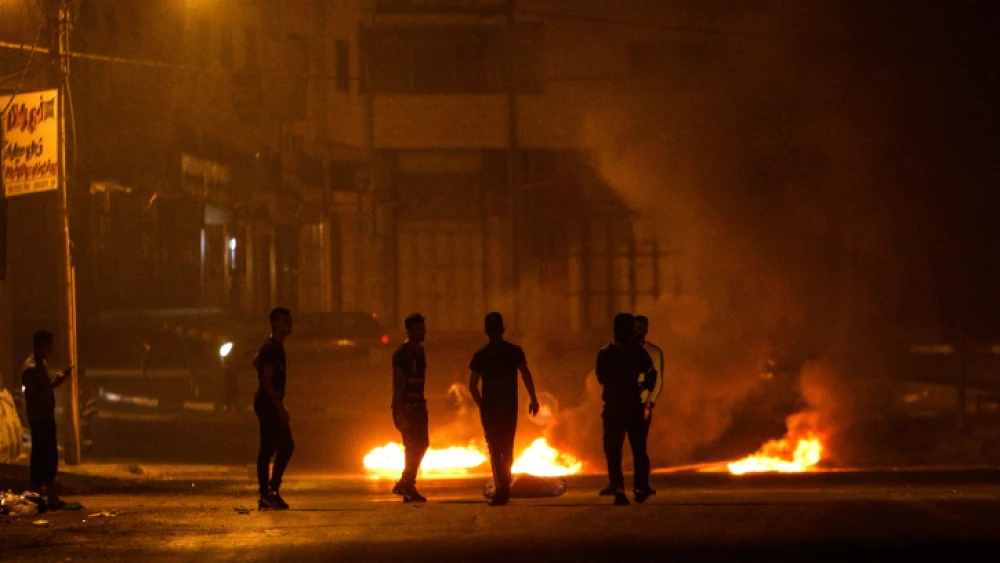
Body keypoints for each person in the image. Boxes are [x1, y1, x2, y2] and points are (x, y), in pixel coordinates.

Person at [469, 313, 540, 506]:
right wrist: (533, 399)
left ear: (486, 331)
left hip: (490, 408)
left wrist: (481, 404)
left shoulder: (481, 355)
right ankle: (505, 485)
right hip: (509, 407)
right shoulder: (514, 351)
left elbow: (472, 385)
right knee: (508, 446)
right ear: (503, 329)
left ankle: (501, 487)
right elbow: (526, 374)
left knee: (495, 448)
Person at [596, 313, 657, 505]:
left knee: (613, 450)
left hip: (614, 407)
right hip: (633, 406)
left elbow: (601, 378)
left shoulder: (606, 353)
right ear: (631, 331)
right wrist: (640, 389)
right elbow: (651, 376)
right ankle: (639, 487)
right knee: (638, 448)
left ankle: (619, 489)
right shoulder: (638, 353)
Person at [21, 330, 73, 510]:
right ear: (39, 345)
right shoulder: (31, 367)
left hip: (44, 416)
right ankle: (40, 496)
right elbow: (36, 394)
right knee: (43, 456)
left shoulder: (40, 364)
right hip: (40, 417)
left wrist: (55, 383)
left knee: (47, 456)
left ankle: (48, 496)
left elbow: (43, 390)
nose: (50, 349)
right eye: (47, 345)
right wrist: (55, 383)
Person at [254, 307, 294, 511]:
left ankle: (271, 491)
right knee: (274, 447)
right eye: (285, 320)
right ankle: (267, 493)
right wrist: (279, 408)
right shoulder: (270, 348)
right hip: (267, 403)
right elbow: (266, 380)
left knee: (280, 446)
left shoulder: (277, 347)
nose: (289, 323)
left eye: (290, 319)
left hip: (272, 402)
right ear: (275, 324)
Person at [391, 313, 429, 503]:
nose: (422, 332)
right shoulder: (401, 354)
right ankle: (407, 485)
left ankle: (406, 483)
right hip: (407, 407)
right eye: (417, 329)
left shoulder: (420, 352)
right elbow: (398, 384)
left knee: (422, 445)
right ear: (409, 330)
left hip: (419, 406)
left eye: (423, 328)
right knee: (412, 446)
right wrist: (399, 411)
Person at [634, 315, 664, 427]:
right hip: (624, 404)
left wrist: (651, 401)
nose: (636, 331)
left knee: (639, 441)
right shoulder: (621, 350)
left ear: (646, 330)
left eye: (639, 327)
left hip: (642, 403)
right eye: (634, 327)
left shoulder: (654, 352)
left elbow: (658, 379)